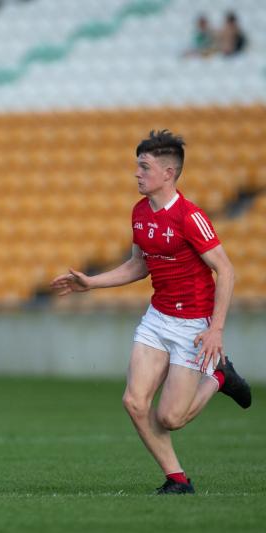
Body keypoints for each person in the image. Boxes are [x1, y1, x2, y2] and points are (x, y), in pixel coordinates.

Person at [50, 130, 252, 495]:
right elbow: (138, 266)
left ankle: (220, 378)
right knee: (134, 401)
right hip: (158, 318)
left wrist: (216, 330)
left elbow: (227, 270)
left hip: (194, 324)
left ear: (168, 173)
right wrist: (90, 283)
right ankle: (177, 479)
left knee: (171, 418)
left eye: (144, 167)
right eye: (137, 166)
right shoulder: (140, 211)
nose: (137, 174)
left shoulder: (190, 216)